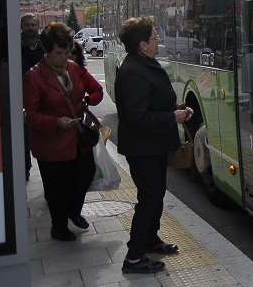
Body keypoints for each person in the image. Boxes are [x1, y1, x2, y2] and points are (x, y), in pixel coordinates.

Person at [115, 16, 193, 274]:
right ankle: (134, 257)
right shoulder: (133, 71)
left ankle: (150, 239)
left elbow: (153, 103)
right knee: (148, 198)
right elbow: (137, 116)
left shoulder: (143, 64)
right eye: (154, 37)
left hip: (154, 145)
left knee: (156, 194)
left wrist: (176, 109)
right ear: (142, 45)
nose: (158, 39)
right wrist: (172, 117)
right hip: (143, 148)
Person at [23, 22, 103, 241]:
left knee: (85, 175)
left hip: (77, 138)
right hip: (51, 144)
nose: (64, 58)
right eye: (59, 53)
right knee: (56, 189)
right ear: (47, 51)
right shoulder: (34, 76)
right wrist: (56, 122)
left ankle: (73, 211)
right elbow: (30, 114)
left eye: (67, 52)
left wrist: (86, 102)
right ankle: (59, 227)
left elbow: (95, 90)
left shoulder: (74, 68)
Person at [21, 14, 45, 181]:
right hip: (21, 98)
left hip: (42, 98)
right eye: (27, 25)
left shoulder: (45, 46)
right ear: (22, 27)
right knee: (23, 136)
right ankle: (24, 168)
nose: (30, 28)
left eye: (33, 25)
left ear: (38, 26)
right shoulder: (14, 45)